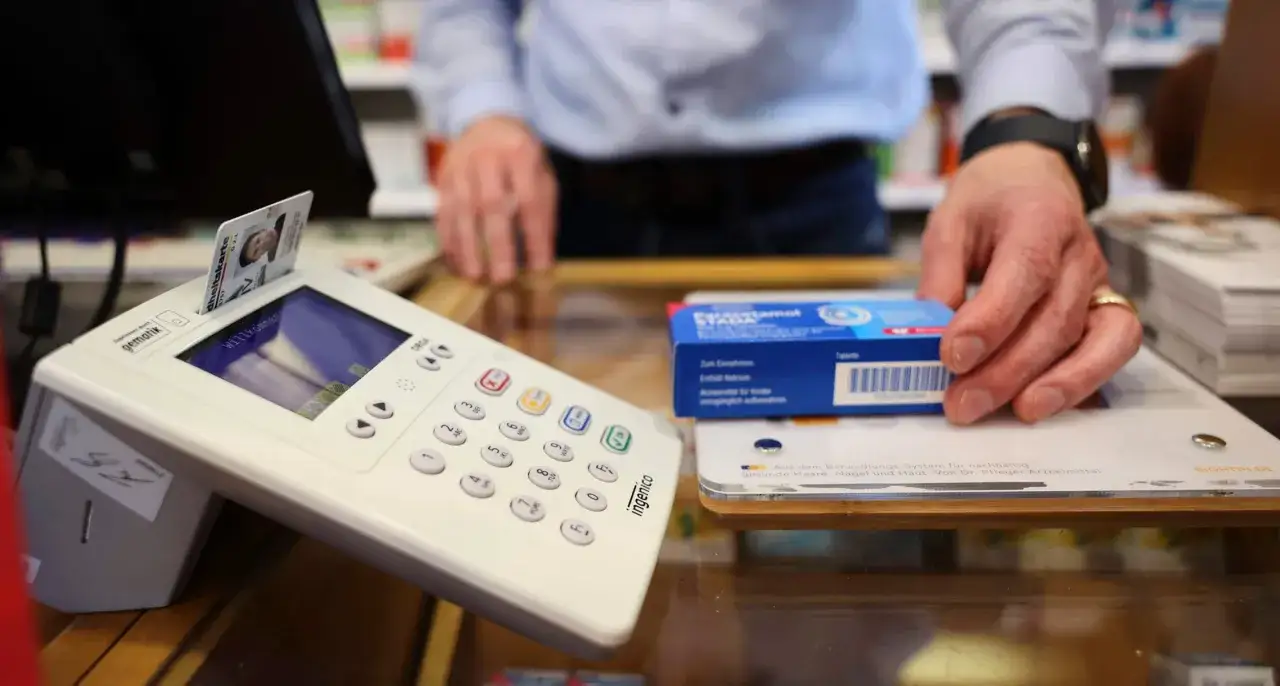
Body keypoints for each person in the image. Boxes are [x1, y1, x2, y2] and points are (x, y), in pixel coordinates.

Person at [413, 0, 1142, 427]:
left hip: (812, 204)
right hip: (575, 219)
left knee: (844, 509)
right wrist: (482, 107)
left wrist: (1023, 126)